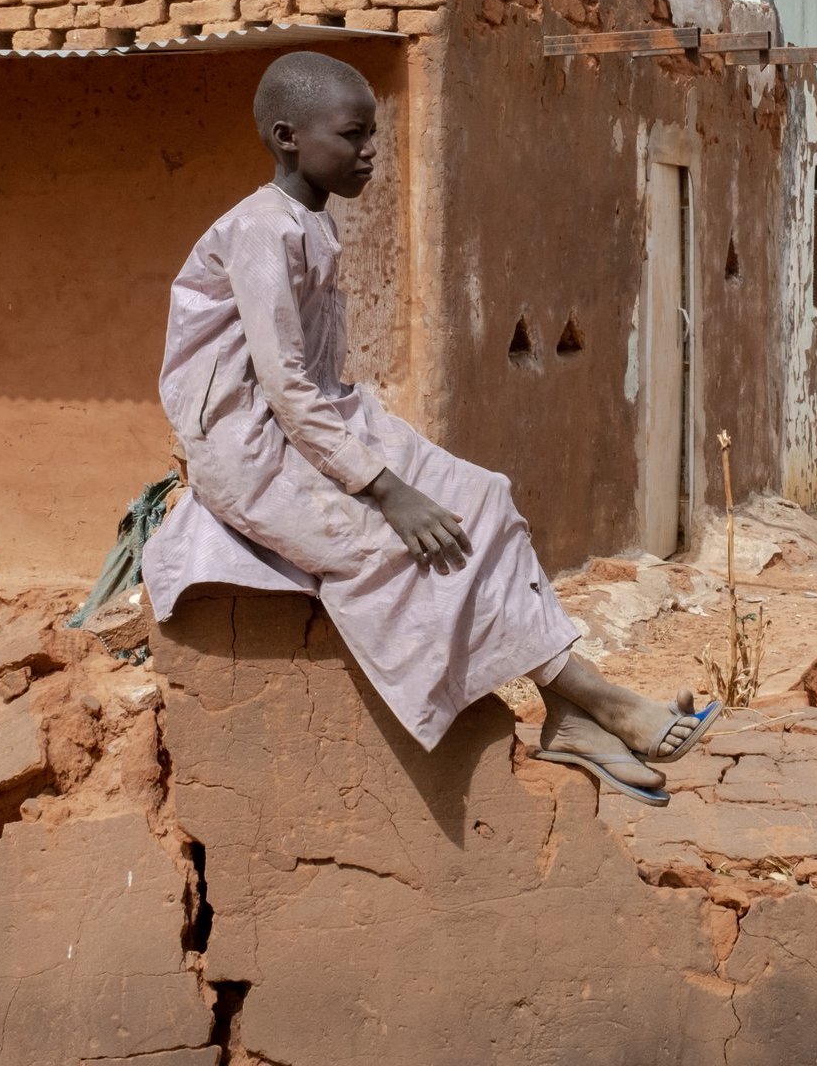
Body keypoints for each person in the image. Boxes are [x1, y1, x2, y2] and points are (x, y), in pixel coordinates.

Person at [143, 50, 718, 804]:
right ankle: (595, 700)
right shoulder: (261, 231)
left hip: (315, 418)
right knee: (403, 542)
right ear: (288, 137)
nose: (370, 150)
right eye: (352, 135)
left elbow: (309, 383)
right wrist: (385, 490)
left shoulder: (309, 224)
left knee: (482, 496)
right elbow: (281, 384)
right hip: (249, 444)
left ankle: (569, 713)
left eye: (372, 134)